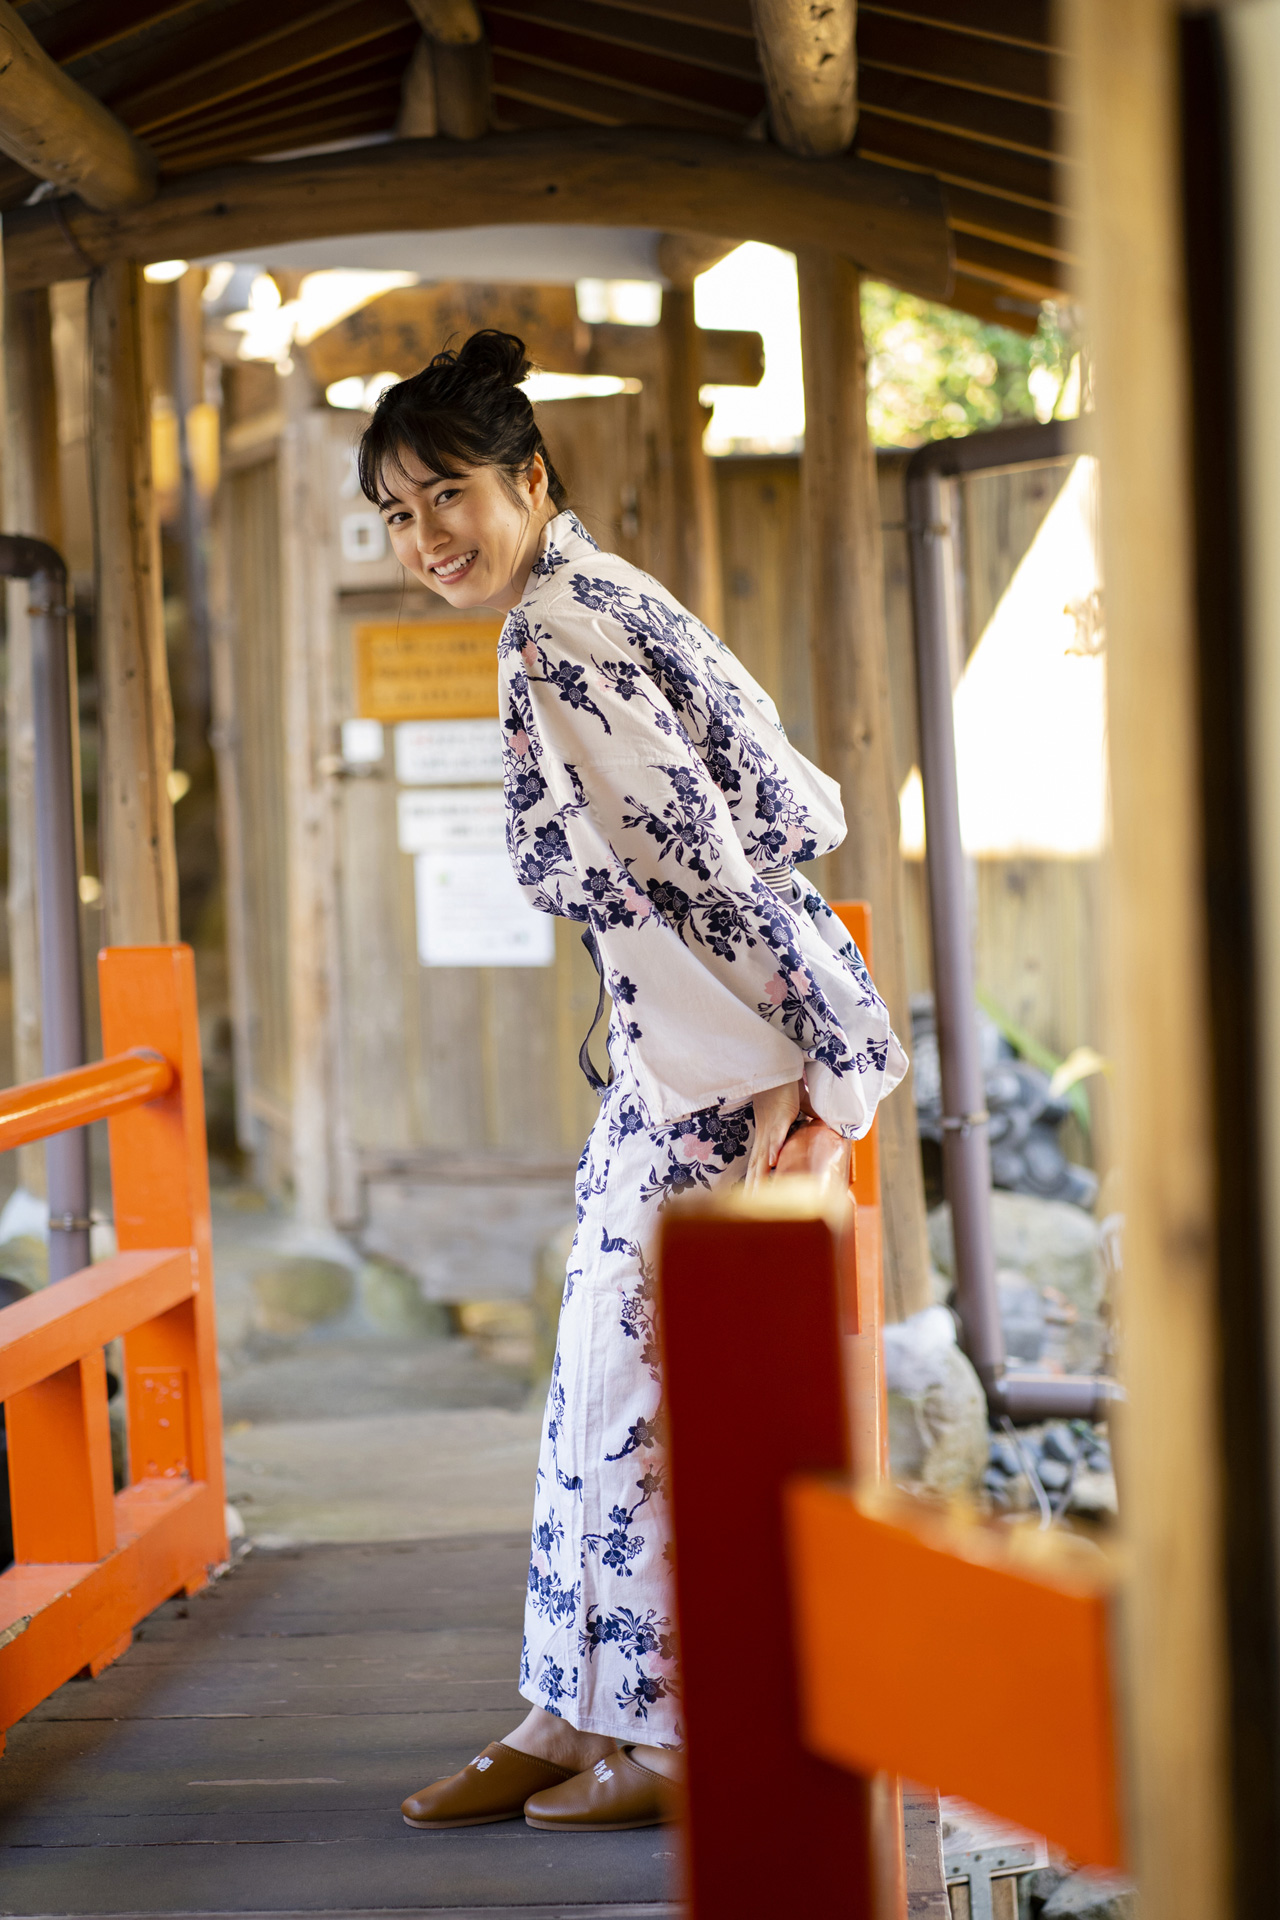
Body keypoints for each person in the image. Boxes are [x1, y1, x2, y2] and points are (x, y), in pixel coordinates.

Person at [357, 329, 908, 1834]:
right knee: (599, 1386)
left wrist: (822, 1064)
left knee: (643, 1398)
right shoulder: (593, 595)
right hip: (686, 1063)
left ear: (532, 480)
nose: (425, 540)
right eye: (397, 517)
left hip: (717, 1072)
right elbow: (790, 797)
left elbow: (705, 867)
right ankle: (565, 1709)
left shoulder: (563, 629)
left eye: (448, 496)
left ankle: (666, 1737)